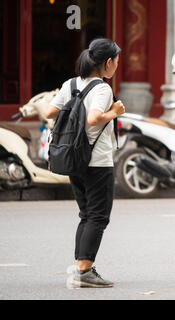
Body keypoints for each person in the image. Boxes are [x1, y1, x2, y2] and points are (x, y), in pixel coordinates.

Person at [45, 38, 125, 288]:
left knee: (86, 213)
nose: (116, 66)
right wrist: (115, 112)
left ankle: (82, 266)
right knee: (98, 216)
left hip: (73, 158)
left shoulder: (70, 84)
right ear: (108, 63)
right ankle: (84, 271)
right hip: (97, 162)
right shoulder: (102, 89)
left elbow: (49, 112)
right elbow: (94, 118)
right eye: (116, 62)